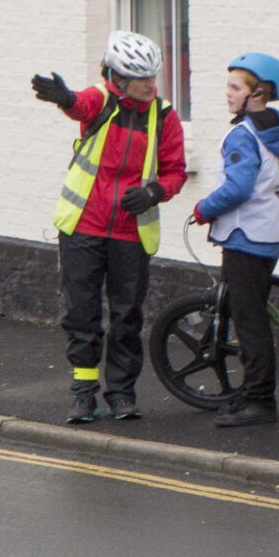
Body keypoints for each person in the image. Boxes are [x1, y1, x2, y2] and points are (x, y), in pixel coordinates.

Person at [31, 31, 188, 423]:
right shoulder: (103, 101)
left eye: (154, 77)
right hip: (84, 225)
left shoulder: (164, 117)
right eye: (142, 79)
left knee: (127, 315)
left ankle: (121, 392)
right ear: (117, 79)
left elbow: (175, 172)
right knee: (82, 313)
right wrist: (65, 99)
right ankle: (84, 393)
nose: (152, 85)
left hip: (131, 232)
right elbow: (81, 105)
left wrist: (153, 192)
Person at [186, 53, 279, 427]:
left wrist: (203, 208)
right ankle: (249, 393)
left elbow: (238, 186)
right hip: (267, 232)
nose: (228, 94)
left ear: (258, 92)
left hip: (244, 236)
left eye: (236, 88)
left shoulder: (243, 134)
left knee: (250, 323)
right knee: (251, 315)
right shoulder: (277, 128)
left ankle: (261, 402)